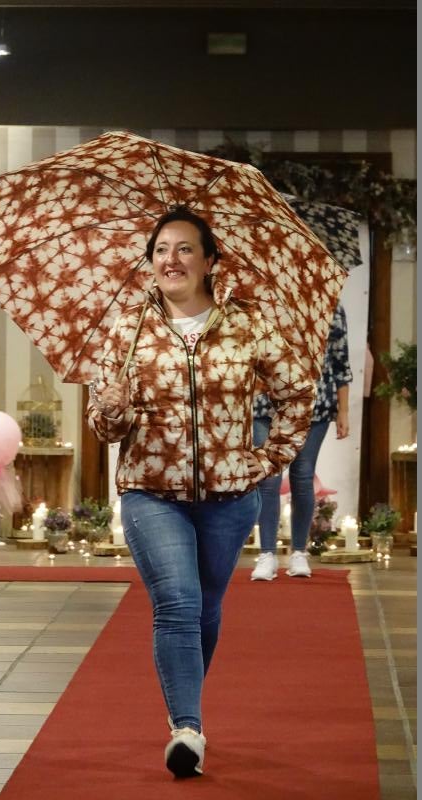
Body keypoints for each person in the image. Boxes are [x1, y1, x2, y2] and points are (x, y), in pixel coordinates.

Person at [87, 206, 316, 779]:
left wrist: (268, 459)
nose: (172, 259)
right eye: (162, 249)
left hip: (229, 497)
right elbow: (105, 427)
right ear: (150, 262)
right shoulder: (127, 328)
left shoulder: (247, 323)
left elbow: (297, 391)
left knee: (207, 608)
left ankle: (185, 712)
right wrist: (109, 410)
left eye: (186, 249)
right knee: (180, 603)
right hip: (150, 491)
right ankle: (187, 728)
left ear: (211, 261)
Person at [251, 303, 352, 581]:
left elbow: (340, 363)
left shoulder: (331, 307)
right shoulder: (262, 305)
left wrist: (343, 410)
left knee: (303, 475)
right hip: (265, 401)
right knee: (269, 477)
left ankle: (299, 552)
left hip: (314, 402)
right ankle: (267, 554)